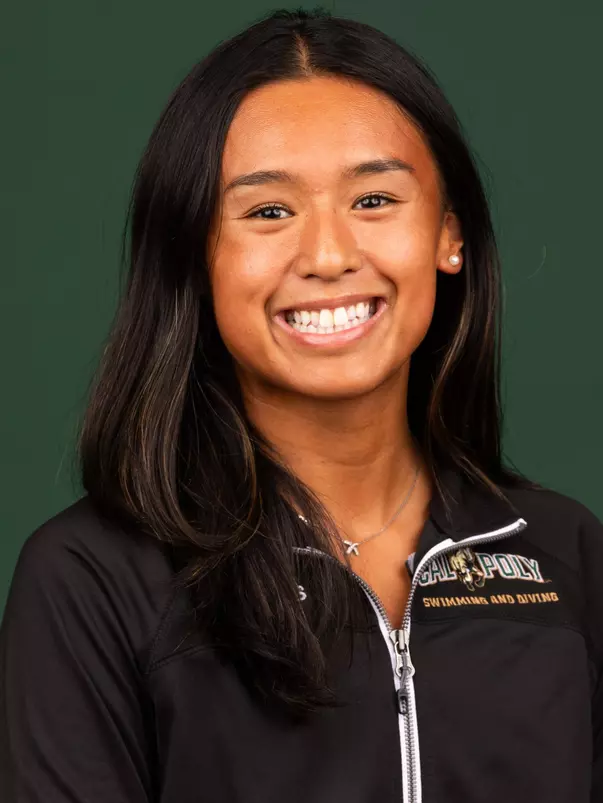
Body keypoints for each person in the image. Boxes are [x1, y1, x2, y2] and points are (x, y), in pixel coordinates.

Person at [1, 8, 601, 803]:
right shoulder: (94, 579)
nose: (326, 256)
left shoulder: (562, 552)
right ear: (194, 255)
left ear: (447, 235)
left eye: (375, 200)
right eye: (268, 212)